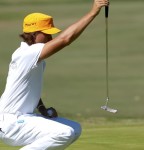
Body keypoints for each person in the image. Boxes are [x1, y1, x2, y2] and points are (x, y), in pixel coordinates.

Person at [0, 0, 109, 150]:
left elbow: (29, 88)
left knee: (75, 129)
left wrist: (43, 109)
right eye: (47, 34)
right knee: (64, 133)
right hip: (11, 122)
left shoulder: (35, 57)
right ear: (34, 34)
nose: (51, 39)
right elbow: (65, 39)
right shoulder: (27, 54)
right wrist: (93, 13)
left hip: (23, 118)